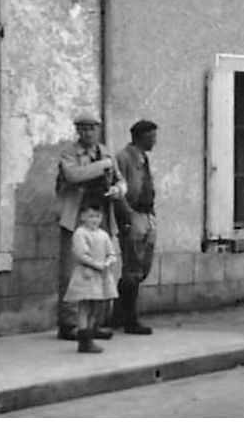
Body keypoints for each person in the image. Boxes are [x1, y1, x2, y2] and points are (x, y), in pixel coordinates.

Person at [56, 114, 125, 340]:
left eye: (91, 129)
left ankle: (93, 324)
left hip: (100, 216)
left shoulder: (105, 152)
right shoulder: (70, 153)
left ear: (98, 130)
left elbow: (120, 180)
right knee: (73, 272)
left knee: (101, 269)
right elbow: (74, 175)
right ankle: (69, 324)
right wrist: (103, 165)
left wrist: (118, 190)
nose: (86, 133)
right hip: (75, 216)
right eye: (82, 129)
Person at [111, 119, 157, 335]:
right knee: (133, 267)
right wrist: (127, 216)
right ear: (140, 137)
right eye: (151, 136)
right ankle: (129, 319)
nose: (154, 141)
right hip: (134, 214)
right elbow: (119, 190)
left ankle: (118, 315)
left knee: (143, 267)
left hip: (147, 214)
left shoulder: (143, 157)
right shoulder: (124, 158)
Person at [66, 204, 120, 353]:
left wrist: (107, 263)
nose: (94, 220)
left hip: (101, 275)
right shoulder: (80, 233)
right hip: (86, 274)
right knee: (84, 307)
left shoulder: (103, 235)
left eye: (97, 216)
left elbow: (111, 253)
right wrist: (96, 264)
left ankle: (90, 333)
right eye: (90, 216)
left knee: (96, 307)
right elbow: (80, 254)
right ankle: (84, 340)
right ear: (82, 217)